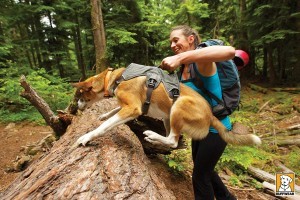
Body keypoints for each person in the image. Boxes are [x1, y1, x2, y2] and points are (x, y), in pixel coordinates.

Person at [160, 25, 237, 200]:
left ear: (191, 39)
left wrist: (180, 57)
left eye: (176, 40)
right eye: (170, 42)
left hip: (216, 131)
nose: (172, 45)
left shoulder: (202, 63)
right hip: (200, 129)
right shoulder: (184, 69)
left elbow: (230, 51)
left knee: (200, 178)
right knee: (204, 171)